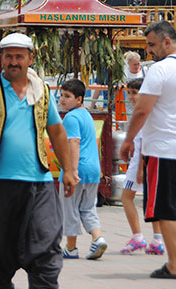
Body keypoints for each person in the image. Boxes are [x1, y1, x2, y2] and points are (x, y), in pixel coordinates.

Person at [0, 32, 75, 289]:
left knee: (46, 245)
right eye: (8, 56)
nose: (14, 62)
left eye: (19, 56)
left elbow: (57, 131)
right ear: (1, 59)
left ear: (30, 58)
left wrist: (69, 170)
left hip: (39, 183)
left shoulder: (42, 90)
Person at [120, 20, 176, 279]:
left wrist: (128, 140)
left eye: (151, 44)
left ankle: (174, 264)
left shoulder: (160, 71)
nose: (149, 50)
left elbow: (141, 110)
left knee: (167, 208)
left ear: (166, 41)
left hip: (164, 148)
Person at [58, 78, 107, 260]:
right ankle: (98, 238)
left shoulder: (71, 117)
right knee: (88, 208)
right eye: (62, 95)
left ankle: (71, 248)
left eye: (67, 96)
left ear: (79, 99)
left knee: (70, 208)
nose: (62, 100)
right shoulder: (86, 114)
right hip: (94, 170)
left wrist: (72, 170)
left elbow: (74, 142)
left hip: (77, 169)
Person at [119, 78, 164, 255]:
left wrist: (139, 170)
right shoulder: (149, 112)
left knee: (126, 197)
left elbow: (146, 142)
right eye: (129, 92)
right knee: (152, 200)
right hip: (147, 161)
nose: (131, 96)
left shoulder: (143, 113)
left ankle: (138, 236)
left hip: (141, 161)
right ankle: (157, 239)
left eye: (134, 93)